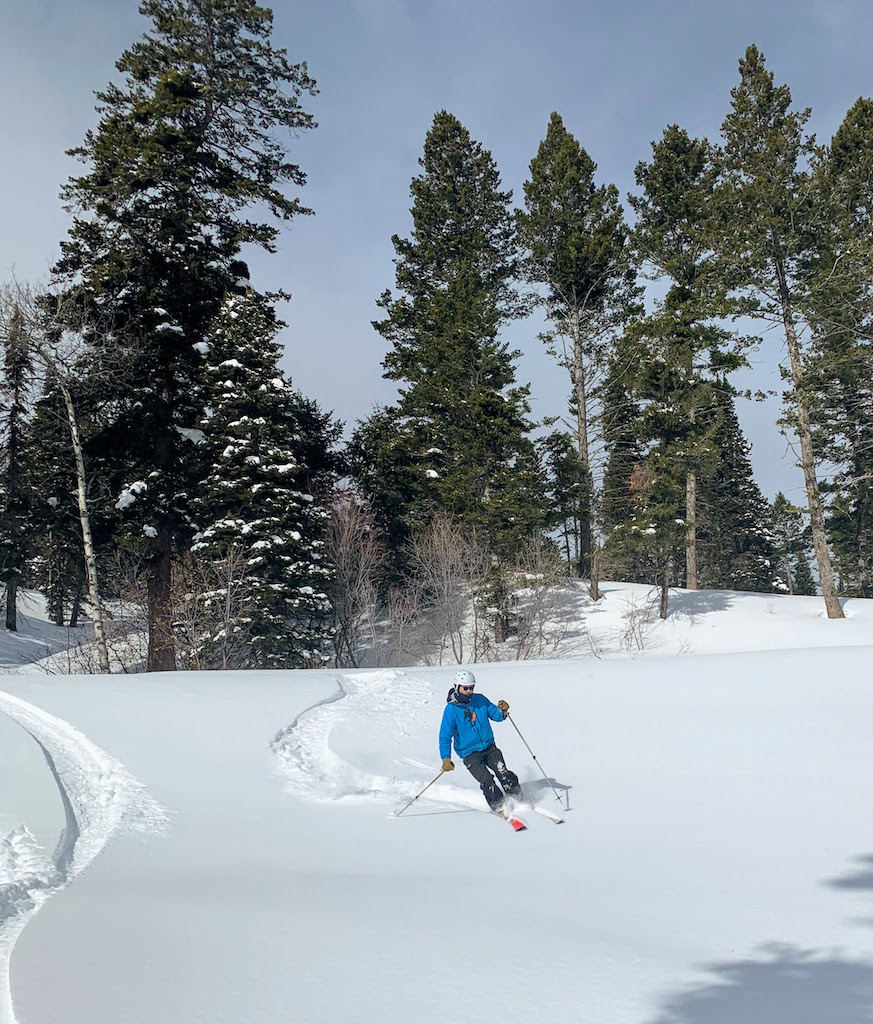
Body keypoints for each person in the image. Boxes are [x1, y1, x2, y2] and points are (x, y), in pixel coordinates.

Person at [439, 669, 521, 812]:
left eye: (472, 687)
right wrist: (446, 758)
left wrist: (502, 711)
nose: (469, 691)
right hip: (469, 754)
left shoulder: (480, 700)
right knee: (487, 780)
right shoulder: (451, 710)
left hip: (489, 747)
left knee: (502, 771)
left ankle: (518, 798)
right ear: (457, 687)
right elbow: (445, 737)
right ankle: (499, 806)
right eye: (466, 688)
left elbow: (496, 715)